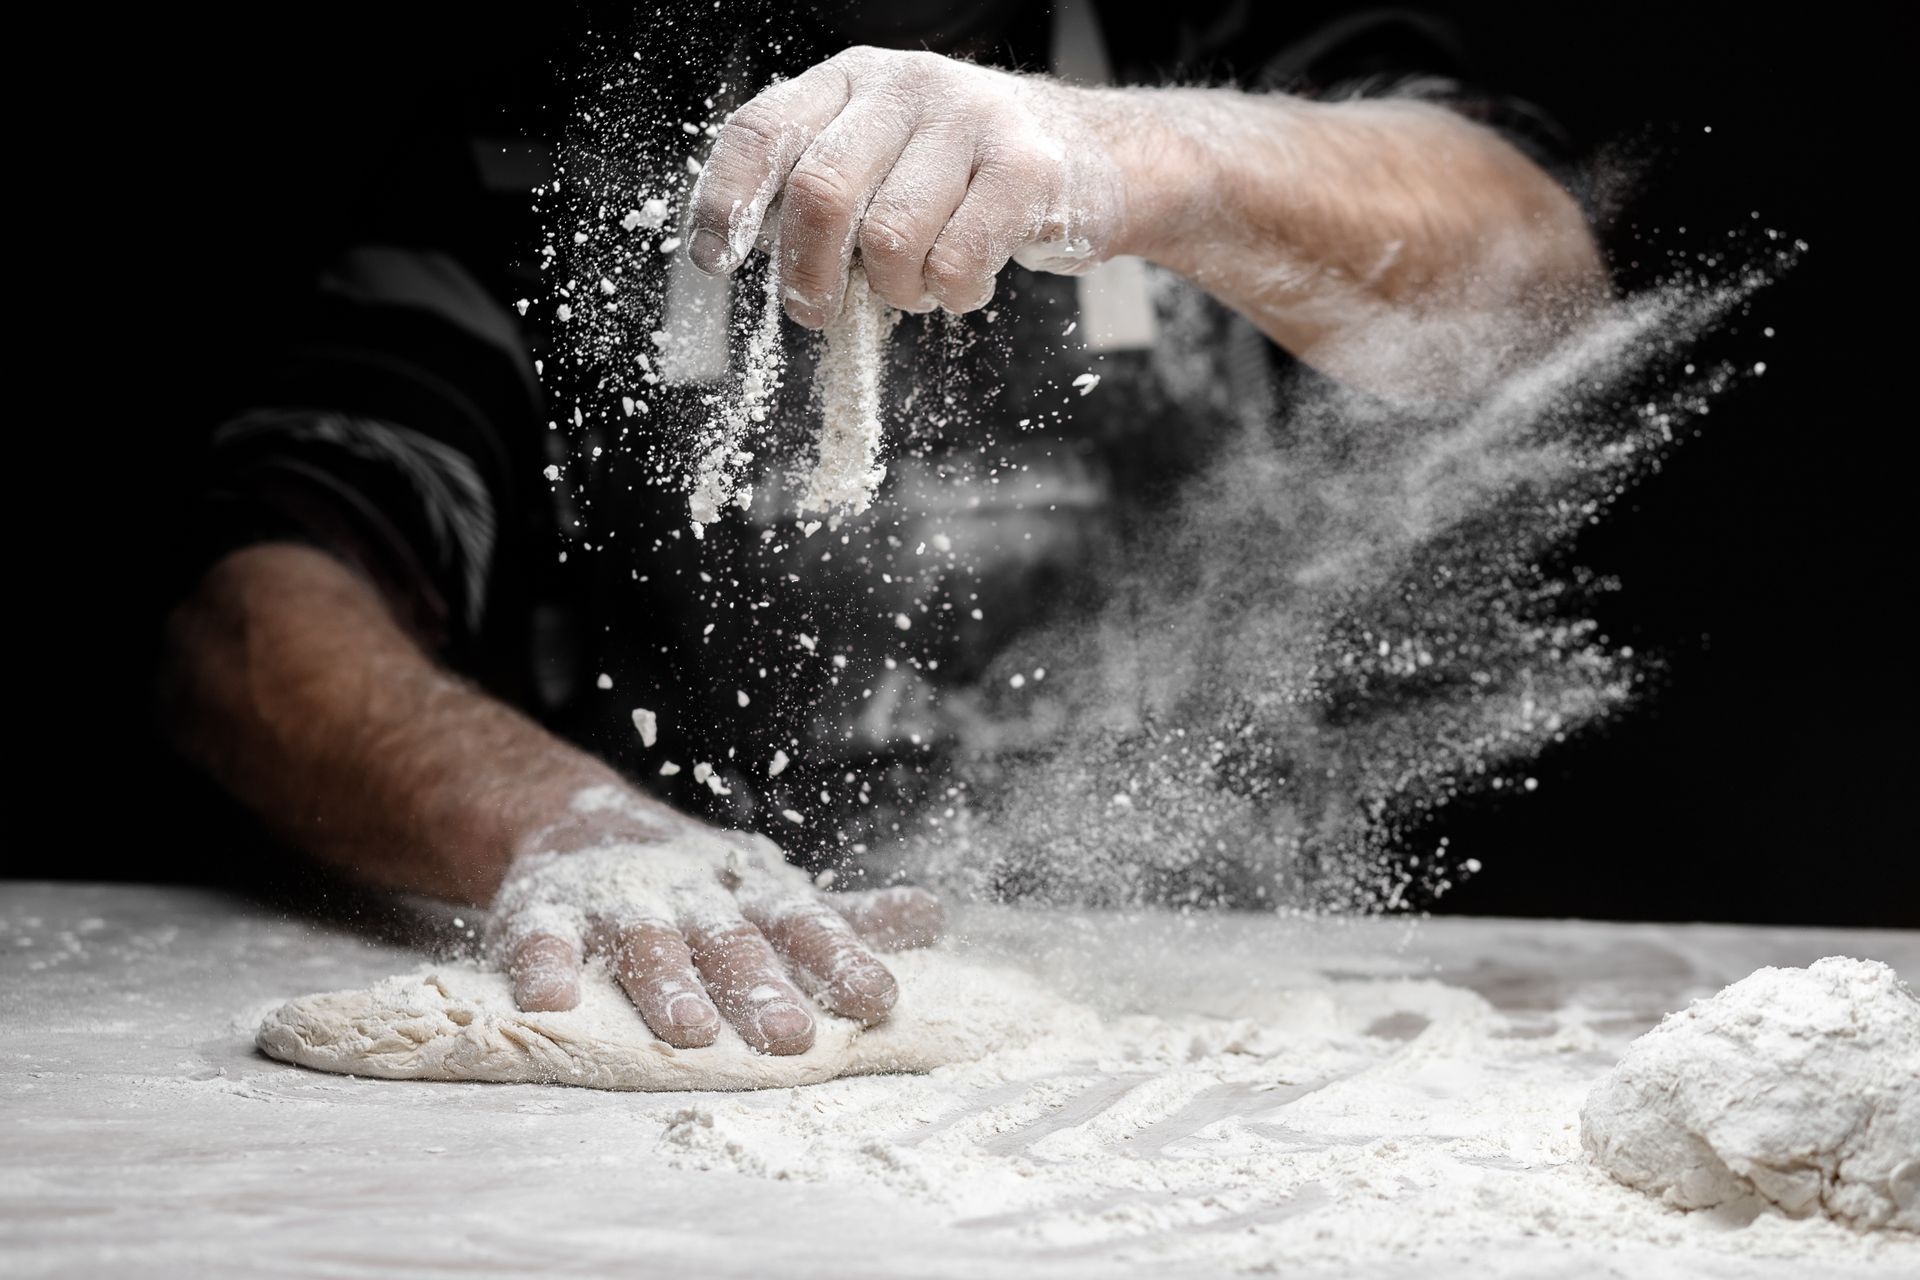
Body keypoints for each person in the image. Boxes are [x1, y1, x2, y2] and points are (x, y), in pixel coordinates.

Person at [152, 2, 1603, 1054]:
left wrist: (1144, 155)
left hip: (1221, 1009)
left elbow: (1535, 297)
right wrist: (565, 825)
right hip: (699, 996)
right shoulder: (529, 119)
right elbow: (256, 603)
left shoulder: (1237, 30)